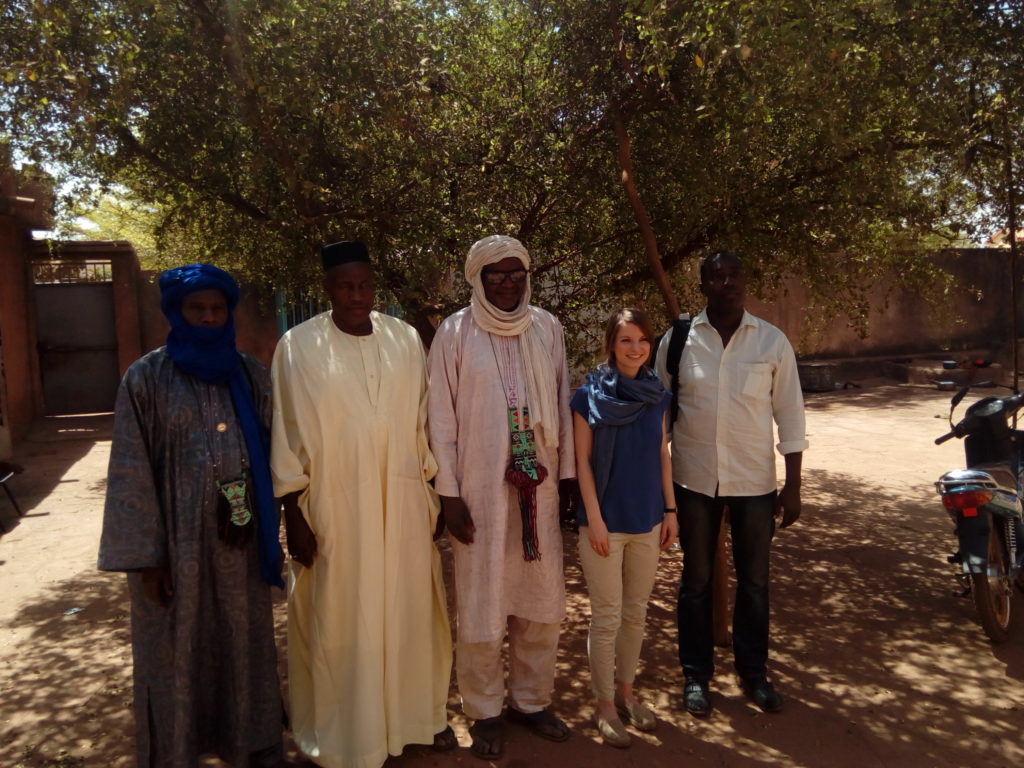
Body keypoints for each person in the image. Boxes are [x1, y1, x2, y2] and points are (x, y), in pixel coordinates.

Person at [270, 241, 453, 768]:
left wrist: (433, 496)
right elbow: (286, 430)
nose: (356, 295)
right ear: (328, 289)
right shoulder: (297, 346)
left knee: (407, 607)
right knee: (341, 614)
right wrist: (293, 513)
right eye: (346, 286)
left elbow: (422, 423)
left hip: (402, 500)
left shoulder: (404, 340)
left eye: (364, 286)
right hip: (333, 504)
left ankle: (415, 718)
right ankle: (348, 734)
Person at [99, 264, 286, 768]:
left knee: (243, 641)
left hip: (239, 539)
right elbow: (130, 471)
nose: (208, 318)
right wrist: (147, 558)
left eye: (216, 309)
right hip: (174, 547)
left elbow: (277, 450)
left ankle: (254, 743)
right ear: (176, 313)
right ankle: (176, 752)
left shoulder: (249, 373)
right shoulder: (146, 376)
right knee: (175, 649)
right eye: (196, 309)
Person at [427, 234, 575, 760]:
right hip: (479, 491)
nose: (508, 284)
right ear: (478, 280)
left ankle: (530, 702)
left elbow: (560, 398)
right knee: (482, 602)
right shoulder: (455, 333)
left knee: (539, 602)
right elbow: (440, 420)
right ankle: (484, 709)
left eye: (516, 275)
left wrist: (569, 479)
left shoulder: (547, 328)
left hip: (540, 487)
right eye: (497, 276)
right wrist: (449, 496)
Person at [655, 250, 808, 717]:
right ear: (702, 285)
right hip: (694, 480)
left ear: (745, 281)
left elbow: (791, 414)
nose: (726, 282)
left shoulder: (771, 342)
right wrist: (657, 487)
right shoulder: (678, 340)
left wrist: (794, 484)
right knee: (696, 582)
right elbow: (660, 412)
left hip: (754, 482)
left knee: (755, 583)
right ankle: (695, 676)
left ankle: (754, 673)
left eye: (733, 274)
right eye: (716, 276)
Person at [572, 309, 677, 748]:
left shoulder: (658, 395)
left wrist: (670, 511)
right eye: (625, 341)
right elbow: (581, 462)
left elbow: (662, 455)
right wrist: (594, 519)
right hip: (604, 525)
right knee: (607, 617)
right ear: (611, 346)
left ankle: (627, 691)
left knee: (636, 613)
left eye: (642, 341)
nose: (635, 349)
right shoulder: (587, 396)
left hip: (647, 519)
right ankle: (604, 705)